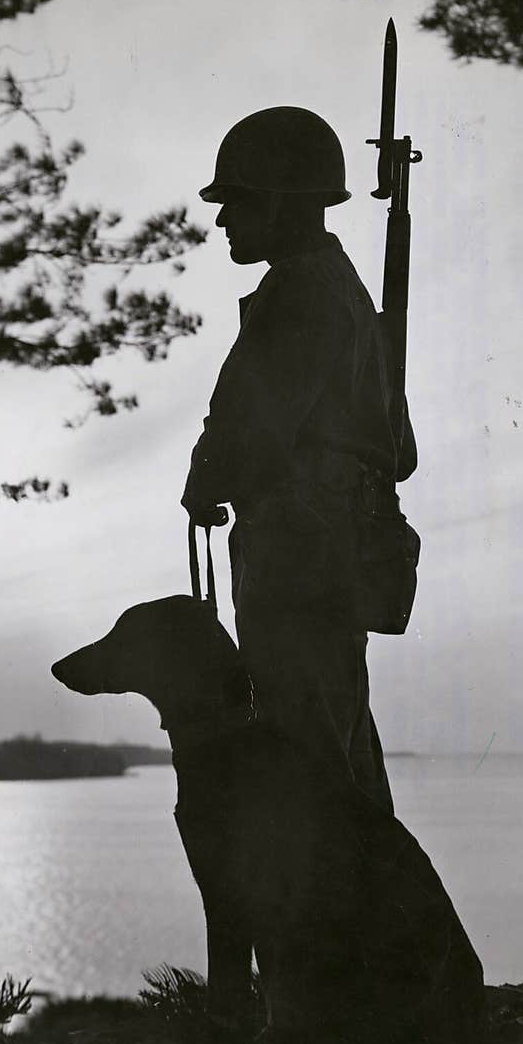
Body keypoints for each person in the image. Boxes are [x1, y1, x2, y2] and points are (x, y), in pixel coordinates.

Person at [182, 106, 409, 821]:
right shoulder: (334, 287)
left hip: (298, 554)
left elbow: (257, 424)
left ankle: (332, 924)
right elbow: (396, 447)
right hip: (322, 547)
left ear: (282, 200)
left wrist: (207, 476)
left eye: (239, 202)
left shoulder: (303, 292)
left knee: (306, 761)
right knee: (335, 750)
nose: (224, 223)